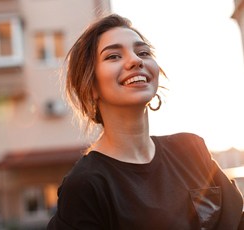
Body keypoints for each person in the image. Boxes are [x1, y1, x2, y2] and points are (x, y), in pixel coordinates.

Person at [47, 14, 244, 230]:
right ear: (90, 85)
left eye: (143, 53)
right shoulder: (86, 185)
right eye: (113, 56)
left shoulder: (191, 148)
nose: (135, 60)